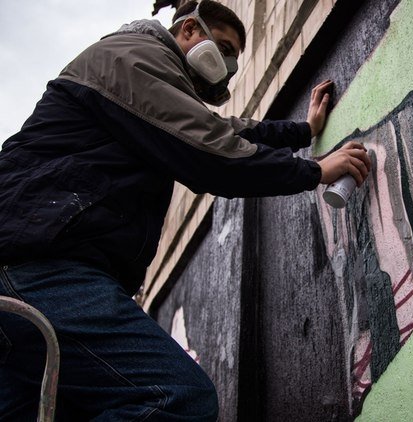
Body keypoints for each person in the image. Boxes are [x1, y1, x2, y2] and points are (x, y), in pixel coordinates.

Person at [0, 0, 370, 420]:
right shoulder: (134, 56)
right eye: (224, 48)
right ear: (189, 29)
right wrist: (314, 170)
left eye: (234, 59)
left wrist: (302, 131)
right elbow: (209, 150)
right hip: (40, 267)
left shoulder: (145, 76)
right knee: (176, 397)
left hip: (28, 270)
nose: (228, 65)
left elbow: (224, 129)